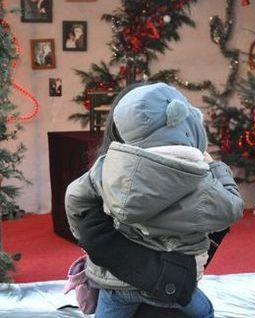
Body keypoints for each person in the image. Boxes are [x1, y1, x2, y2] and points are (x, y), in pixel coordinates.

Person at [65, 82, 245, 317]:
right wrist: (216, 168)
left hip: (115, 286)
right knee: (205, 311)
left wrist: (79, 232)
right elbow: (231, 209)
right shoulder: (202, 182)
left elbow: (75, 199)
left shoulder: (106, 171)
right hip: (178, 286)